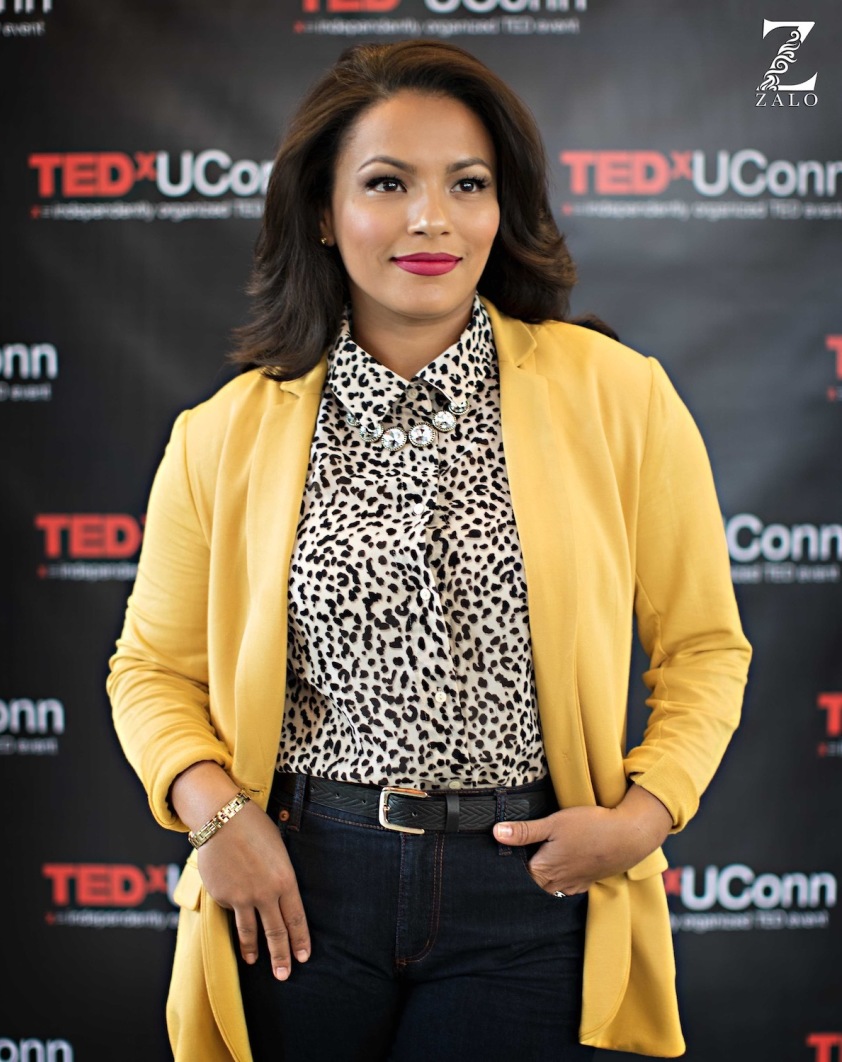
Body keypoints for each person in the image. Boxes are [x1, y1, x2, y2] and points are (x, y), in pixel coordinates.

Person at [108, 39, 751, 1062]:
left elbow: (707, 647)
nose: (431, 219)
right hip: (298, 889)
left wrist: (645, 813)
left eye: (467, 184)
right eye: (386, 183)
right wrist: (216, 814)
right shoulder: (223, 434)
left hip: (530, 890)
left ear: (503, 207)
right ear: (322, 212)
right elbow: (149, 670)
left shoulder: (619, 397)